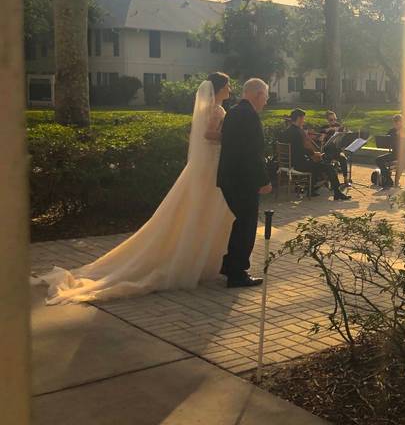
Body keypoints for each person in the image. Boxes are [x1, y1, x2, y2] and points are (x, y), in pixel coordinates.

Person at [36, 73, 239, 303]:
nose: (230, 89)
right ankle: (195, 260)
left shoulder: (213, 108)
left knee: (202, 213)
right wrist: (231, 135)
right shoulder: (216, 110)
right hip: (211, 168)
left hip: (208, 165)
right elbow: (208, 134)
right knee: (203, 212)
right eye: (228, 85)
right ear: (219, 88)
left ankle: (202, 259)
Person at [216, 78, 275, 287]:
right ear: (257, 94)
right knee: (247, 225)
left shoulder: (233, 111)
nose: (265, 102)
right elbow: (252, 153)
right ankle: (237, 273)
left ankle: (230, 265)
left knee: (241, 222)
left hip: (230, 177)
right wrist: (264, 180)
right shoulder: (248, 115)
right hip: (242, 180)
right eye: (265, 98)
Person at [282, 109, 350, 200]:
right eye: (303, 118)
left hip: (290, 162)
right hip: (299, 164)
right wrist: (314, 154)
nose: (304, 121)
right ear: (298, 118)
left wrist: (312, 154)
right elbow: (301, 149)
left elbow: (297, 149)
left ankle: (311, 189)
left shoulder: (287, 131)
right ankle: (337, 193)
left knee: (318, 165)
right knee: (329, 167)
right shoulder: (298, 132)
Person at [375, 114, 405, 189]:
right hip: (394, 153)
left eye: (398, 122)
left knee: (401, 162)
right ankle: (388, 179)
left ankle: (395, 181)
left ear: (402, 122)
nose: (397, 124)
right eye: (395, 123)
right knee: (378, 160)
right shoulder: (392, 131)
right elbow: (386, 141)